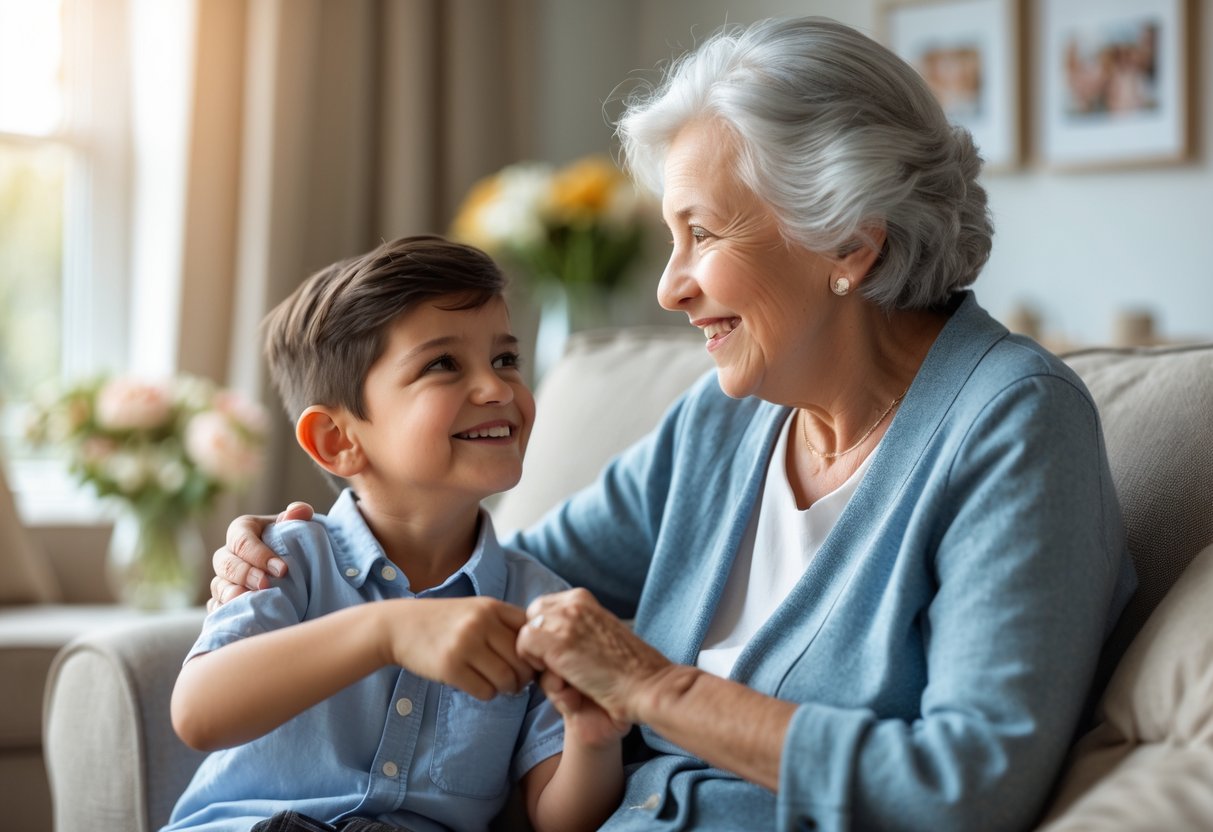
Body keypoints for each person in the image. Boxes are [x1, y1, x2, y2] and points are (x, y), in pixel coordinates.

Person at [210, 18, 1136, 832]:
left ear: (849, 240)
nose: (668, 284)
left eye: (702, 234)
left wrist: (656, 689)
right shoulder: (723, 424)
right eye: (670, 237)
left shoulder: (1011, 425)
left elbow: (968, 790)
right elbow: (499, 592)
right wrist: (315, 557)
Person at [166, 235, 624, 832]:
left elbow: (558, 818)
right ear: (339, 440)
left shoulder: (538, 605)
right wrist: (387, 630)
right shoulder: (288, 559)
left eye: (506, 359)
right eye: (443, 365)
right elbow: (199, 714)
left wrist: (595, 734)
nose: (497, 389)